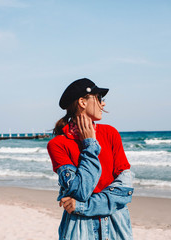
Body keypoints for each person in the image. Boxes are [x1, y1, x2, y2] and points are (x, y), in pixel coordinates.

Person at [47, 78, 134, 240]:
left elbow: (124, 190)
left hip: (116, 224)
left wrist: (82, 206)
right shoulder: (57, 144)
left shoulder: (110, 134)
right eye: (99, 98)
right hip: (80, 228)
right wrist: (90, 144)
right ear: (82, 102)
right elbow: (80, 190)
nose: (103, 104)